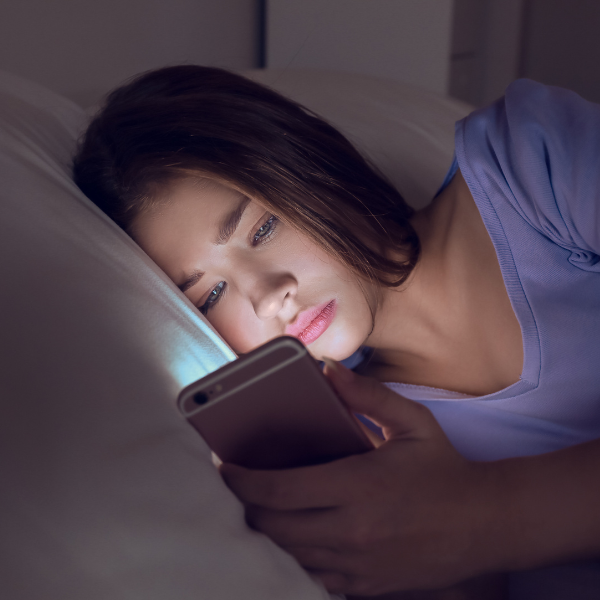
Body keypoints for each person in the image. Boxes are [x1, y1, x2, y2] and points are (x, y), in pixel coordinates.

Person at [73, 65, 600, 599]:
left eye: (263, 229)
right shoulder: (368, 445)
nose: (267, 294)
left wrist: (481, 515)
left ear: (307, 164)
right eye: (209, 296)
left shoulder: (530, 172)